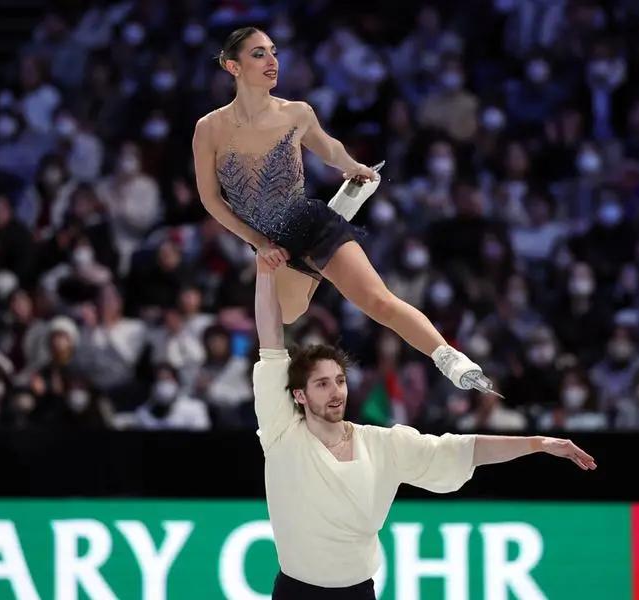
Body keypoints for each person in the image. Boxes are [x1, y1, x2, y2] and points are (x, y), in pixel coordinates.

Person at [251, 256, 597, 599]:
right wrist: (265, 269)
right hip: (295, 592)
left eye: (339, 381)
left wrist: (537, 443)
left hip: (358, 593)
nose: (336, 391)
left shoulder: (383, 444)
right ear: (299, 395)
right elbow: (270, 341)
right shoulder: (282, 431)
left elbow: (463, 450)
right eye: (322, 384)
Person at [193, 26, 493, 392]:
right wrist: (259, 243)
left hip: (311, 224)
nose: (272, 61)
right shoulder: (209, 128)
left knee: (377, 301)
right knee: (289, 313)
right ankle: (342, 207)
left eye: (273, 51)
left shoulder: (296, 113)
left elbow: (328, 147)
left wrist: (352, 165)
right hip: (270, 242)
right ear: (232, 66)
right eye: (258, 54)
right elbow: (211, 199)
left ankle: (449, 357)